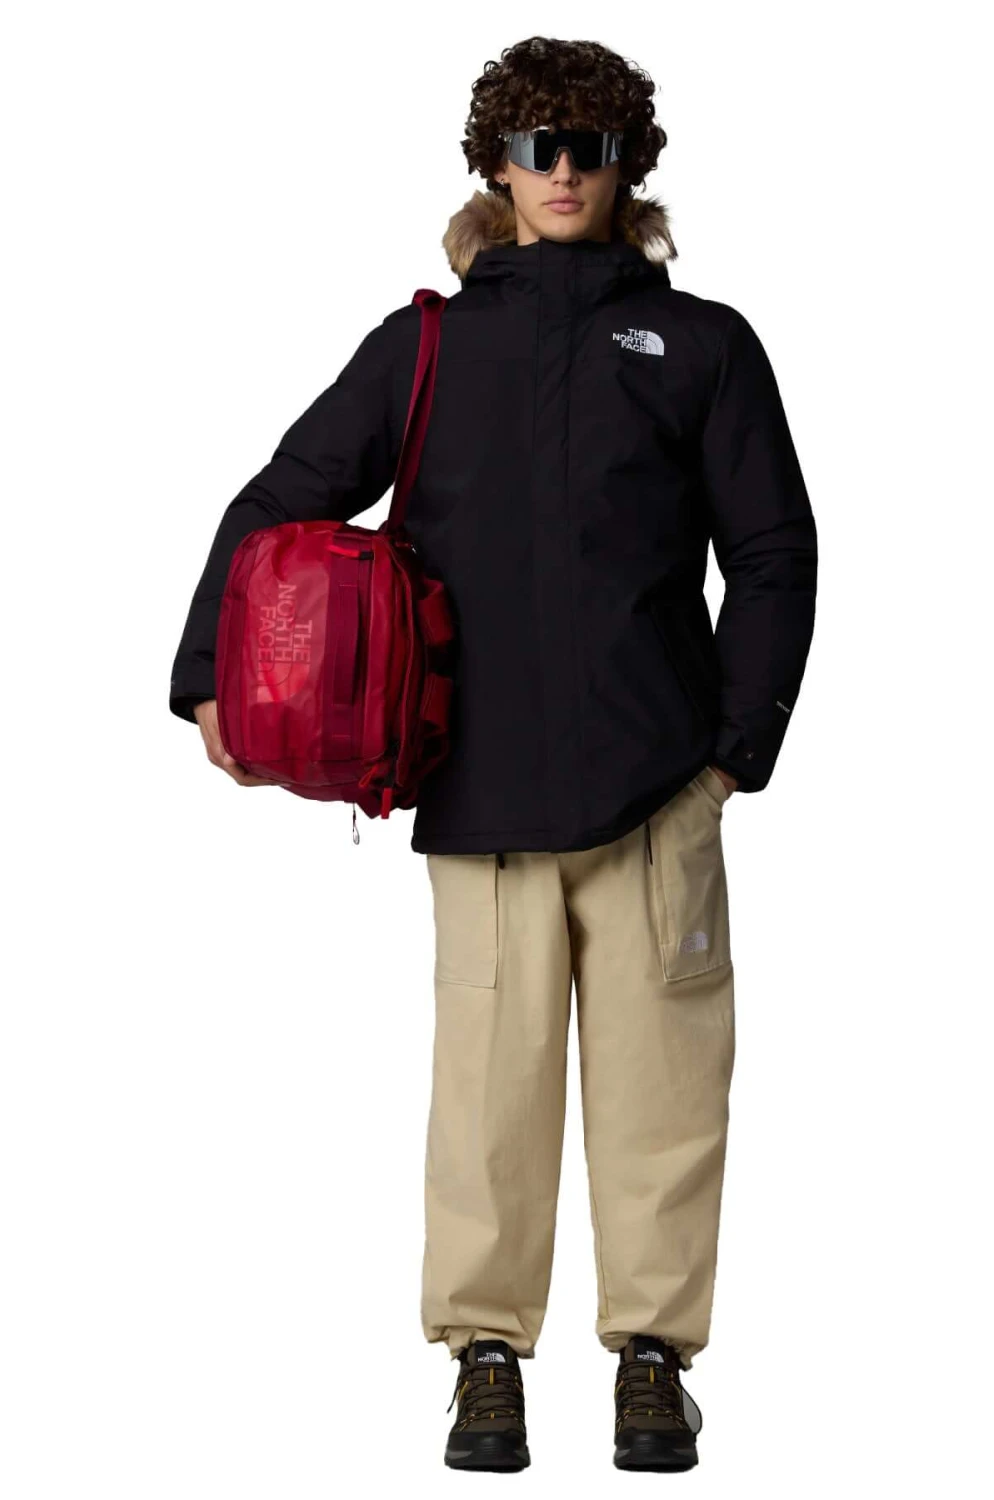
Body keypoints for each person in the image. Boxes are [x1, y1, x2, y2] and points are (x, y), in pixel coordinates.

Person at [168, 35, 816, 1473]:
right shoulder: (428, 346)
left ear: (628, 164)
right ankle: (484, 1361)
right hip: (478, 794)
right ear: (497, 167)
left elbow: (774, 553)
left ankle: (653, 1360)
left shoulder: (702, 344)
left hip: (659, 793)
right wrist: (214, 672)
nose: (564, 171)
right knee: (485, 1097)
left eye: (590, 147)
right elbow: (284, 498)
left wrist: (732, 758)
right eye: (537, 147)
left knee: (664, 1091)